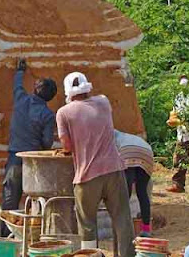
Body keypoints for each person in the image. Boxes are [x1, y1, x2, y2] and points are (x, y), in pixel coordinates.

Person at [56, 72, 135, 256]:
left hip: (87, 176)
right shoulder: (104, 101)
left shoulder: (64, 113)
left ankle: (90, 254)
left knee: (87, 223)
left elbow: (66, 145)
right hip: (114, 170)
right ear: (87, 87)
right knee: (122, 218)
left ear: (68, 91)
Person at [1, 58, 57, 236]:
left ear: (34, 90)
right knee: (36, 199)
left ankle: (6, 235)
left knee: (10, 198)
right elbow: (47, 142)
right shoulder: (47, 114)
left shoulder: (20, 99)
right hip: (34, 161)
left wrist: (20, 71)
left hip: (15, 158)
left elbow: (17, 85)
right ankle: (35, 235)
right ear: (51, 97)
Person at [114, 129, 154, 237]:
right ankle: (146, 229)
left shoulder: (109, 134)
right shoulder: (127, 136)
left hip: (129, 152)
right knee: (142, 192)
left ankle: (124, 229)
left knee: (125, 193)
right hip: (147, 153)